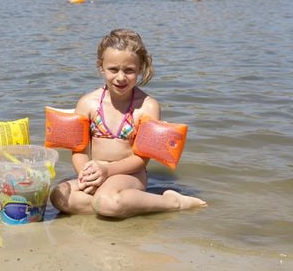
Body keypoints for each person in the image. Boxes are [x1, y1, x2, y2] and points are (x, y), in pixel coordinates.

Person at [50, 29, 207, 218]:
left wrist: (108, 170)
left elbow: (142, 158)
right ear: (101, 67)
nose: (121, 77)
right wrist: (85, 174)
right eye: (113, 69)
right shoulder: (87, 103)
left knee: (105, 201)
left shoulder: (147, 107)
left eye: (129, 70)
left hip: (131, 174)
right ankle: (116, 204)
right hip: (97, 171)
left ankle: (172, 202)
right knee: (59, 196)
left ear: (140, 68)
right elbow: (79, 150)